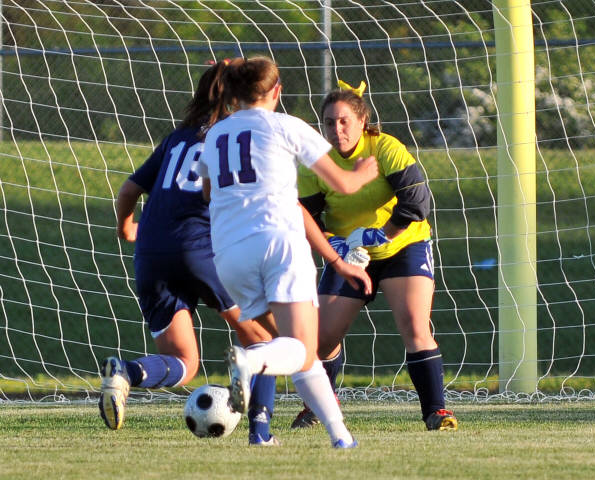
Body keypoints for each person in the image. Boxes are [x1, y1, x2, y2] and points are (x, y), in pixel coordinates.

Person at [198, 57, 378, 448]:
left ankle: (341, 437)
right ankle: (250, 361)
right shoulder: (285, 125)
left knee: (297, 351)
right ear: (277, 91)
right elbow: (344, 184)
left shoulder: (215, 134)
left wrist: (336, 261)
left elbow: (208, 193)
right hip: (279, 244)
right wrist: (366, 171)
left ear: (234, 93)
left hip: (228, 254)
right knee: (300, 349)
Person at [100, 59, 280, 446]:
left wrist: (125, 228)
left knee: (184, 362)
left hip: (150, 253)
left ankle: (126, 373)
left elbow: (129, 190)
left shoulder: (177, 139)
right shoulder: (236, 138)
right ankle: (261, 432)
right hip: (201, 248)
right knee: (263, 338)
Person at [292, 80, 458, 431]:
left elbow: (417, 202)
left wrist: (381, 234)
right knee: (321, 338)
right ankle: (321, 403)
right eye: (329, 122)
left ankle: (437, 412)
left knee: (414, 324)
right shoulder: (314, 163)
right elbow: (306, 220)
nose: (337, 130)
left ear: (362, 121)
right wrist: (335, 246)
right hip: (350, 256)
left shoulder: (385, 147)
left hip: (403, 247)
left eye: (344, 121)